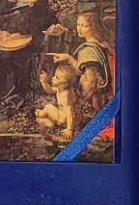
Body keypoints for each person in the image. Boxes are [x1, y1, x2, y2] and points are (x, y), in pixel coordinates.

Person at [48, 10, 115, 140]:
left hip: (94, 98)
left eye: (85, 26)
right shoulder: (99, 44)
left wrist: (80, 102)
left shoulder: (89, 50)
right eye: (78, 25)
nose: (80, 28)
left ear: (94, 27)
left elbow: (90, 80)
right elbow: (82, 70)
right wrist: (69, 58)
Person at [36, 64, 81, 140]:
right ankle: (50, 123)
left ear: (65, 83)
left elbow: (70, 112)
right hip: (68, 117)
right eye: (54, 75)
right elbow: (49, 90)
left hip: (65, 119)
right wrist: (44, 82)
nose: (53, 78)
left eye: (57, 77)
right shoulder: (61, 88)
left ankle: (41, 113)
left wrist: (69, 129)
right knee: (50, 112)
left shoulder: (66, 96)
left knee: (48, 107)